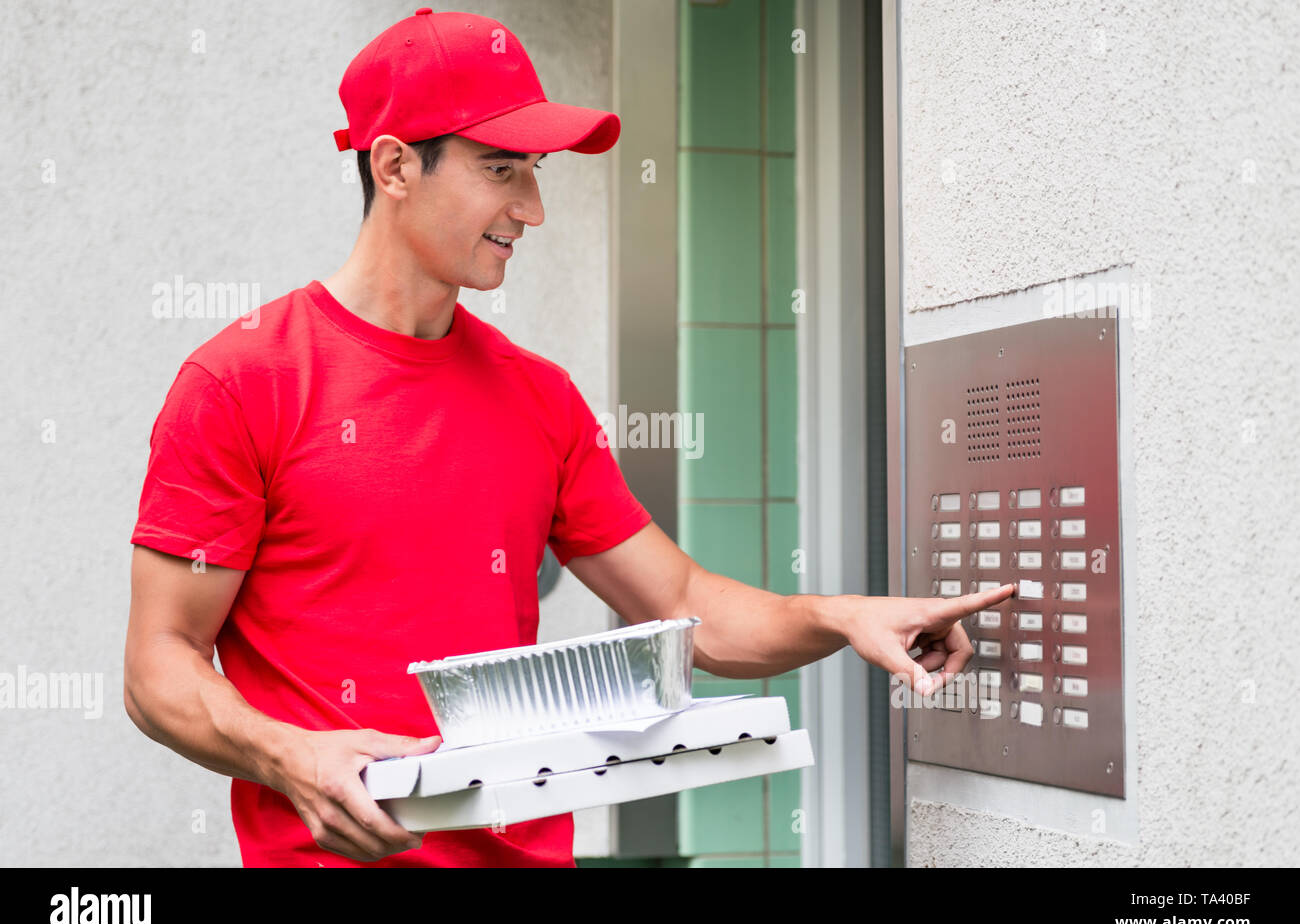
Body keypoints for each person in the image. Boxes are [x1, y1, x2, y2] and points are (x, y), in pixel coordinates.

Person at [123, 8, 1016, 868]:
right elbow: (158, 665)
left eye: (536, 169)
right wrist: (290, 755)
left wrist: (842, 615)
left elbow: (682, 602)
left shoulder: (536, 397)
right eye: (501, 169)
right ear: (395, 166)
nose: (534, 207)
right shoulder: (242, 384)